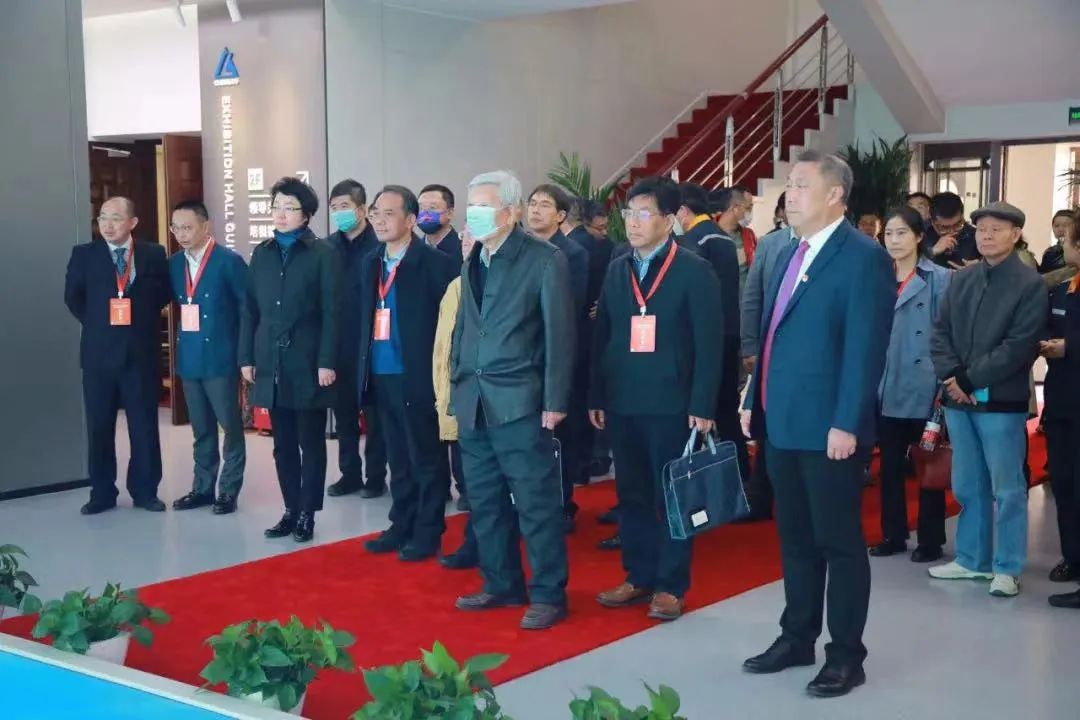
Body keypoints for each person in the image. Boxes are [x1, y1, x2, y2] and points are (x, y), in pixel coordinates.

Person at [739, 151, 894, 698]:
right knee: (796, 539)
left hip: (831, 428)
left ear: (835, 195)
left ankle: (846, 655)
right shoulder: (786, 249)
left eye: (802, 185)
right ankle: (796, 636)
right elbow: (774, 334)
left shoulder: (863, 257)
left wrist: (847, 421)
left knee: (839, 542)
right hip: (782, 422)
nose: (790, 194)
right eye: (789, 184)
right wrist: (754, 401)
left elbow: (865, 348)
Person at [589, 176, 723, 622]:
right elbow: (603, 335)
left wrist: (702, 404)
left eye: (644, 214)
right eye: (629, 213)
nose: (633, 222)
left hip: (672, 403)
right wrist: (597, 393)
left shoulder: (693, 269)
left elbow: (709, 343)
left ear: (669, 220)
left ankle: (670, 585)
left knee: (671, 495)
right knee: (631, 494)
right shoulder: (618, 268)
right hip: (623, 399)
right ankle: (638, 575)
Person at [451, 170, 574, 631]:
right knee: (483, 500)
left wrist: (555, 400)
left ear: (511, 211)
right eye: (471, 206)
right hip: (473, 398)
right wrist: (456, 383)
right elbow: (466, 326)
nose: (474, 214)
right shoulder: (474, 257)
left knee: (535, 502)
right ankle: (501, 582)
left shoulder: (544, 259)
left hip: (520, 399)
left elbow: (560, 335)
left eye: (483, 206)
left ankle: (548, 594)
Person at [928, 201, 1047, 597]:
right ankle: (971, 559)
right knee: (968, 483)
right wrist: (951, 376)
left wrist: (968, 378)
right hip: (958, 400)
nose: (987, 236)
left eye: (997, 229)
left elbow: (1020, 345)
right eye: (982, 229)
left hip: (1001, 401)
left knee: (1007, 487)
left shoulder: (1029, 283)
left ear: (1016, 234)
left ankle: (1007, 567)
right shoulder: (961, 279)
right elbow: (939, 332)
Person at [357, 186, 457, 561]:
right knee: (396, 456)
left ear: (411, 220)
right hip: (380, 373)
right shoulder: (370, 262)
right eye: (375, 214)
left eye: (389, 214)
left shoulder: (435, 264)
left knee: (426, 457)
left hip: (419, 374)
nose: (380, 221)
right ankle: (401, 523)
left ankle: (428, 531)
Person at [239, 177, 341, 543]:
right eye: (276, 207)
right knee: (281, 443)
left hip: (308, 360)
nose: (280, 214)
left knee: (309, 441)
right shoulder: (262, 253)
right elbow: (249, 310)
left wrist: (327, 360)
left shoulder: (323, 254)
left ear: (307, 215)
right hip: (270, 361)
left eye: (289, 208)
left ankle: (308, 513)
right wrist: (247, 356)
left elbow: (332, 313)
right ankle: (289, 509)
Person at [65, 196, 171, 515]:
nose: (107, 225)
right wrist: (101, 325)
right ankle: (101, 493)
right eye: (102, 218)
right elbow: (73, 298)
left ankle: (145, 491)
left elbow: (163, 294)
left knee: (144, 426)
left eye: (115, 218)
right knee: (99, 426)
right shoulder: (84, 254)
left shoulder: (153, 253)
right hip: (99, 356)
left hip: (140, 354)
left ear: (132, 222)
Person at [870, 206, 950, 561]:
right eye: (888, 233)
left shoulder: (940, 278)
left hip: (924, 382)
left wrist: (942, 380)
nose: (894, 240)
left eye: (902, 232)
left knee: (928, 463)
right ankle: (894, 534)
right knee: (889, 466)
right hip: (885, 382)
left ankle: (931, 540)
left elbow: (948, 334)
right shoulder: (876, 276)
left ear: (919, 236)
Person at [167, 200, 248, 515]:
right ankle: (202, 488)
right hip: (190, 358)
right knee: (201, 429)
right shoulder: (174, 264)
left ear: (205, 226)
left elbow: (247, 311)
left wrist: (245, 356)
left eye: (187, 227)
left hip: (221, 358)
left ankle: (227, 491)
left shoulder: (229, 261)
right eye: (176, 228)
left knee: (230, 428)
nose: (181, 234)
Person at [527, 184, 590, 530]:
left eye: (545, 205)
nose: (535, 210)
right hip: (523, 357)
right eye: (532, 203)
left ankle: (562, 503)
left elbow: (569, 307)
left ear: (561, 215)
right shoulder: (520, 249)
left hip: (556, 354)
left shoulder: (573, 253)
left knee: (559, 435)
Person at [674, 184, 747, 481]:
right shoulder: (723, 238)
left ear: (682, 211)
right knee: (727, 411)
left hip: (702, 340)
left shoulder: (692, 242)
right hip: (729, 334)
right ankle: (739, 477)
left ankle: (692, 482)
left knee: (698, 413)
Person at [326, 179, 388, 500]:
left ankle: (375, 477)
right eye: (334, 208)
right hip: (339, 347)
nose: (339, 213)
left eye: (345, 207)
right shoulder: (326, 248)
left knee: (375, 418)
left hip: (372, 344)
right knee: (345, 417)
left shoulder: (380, 245)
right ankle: (349, 474)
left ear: (362, 210)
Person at [739, 208, 798, 521]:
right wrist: (750, 345)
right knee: (766, 428)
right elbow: (752, 297)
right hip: (771, 350)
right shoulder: (771, 244)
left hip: (809, 359)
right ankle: (760, 497)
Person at [435, 228, 479, 570]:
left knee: (485, 483)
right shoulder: (455, 285)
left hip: (489, 400)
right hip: (457, 395)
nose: (466, 243)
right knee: (470, 477)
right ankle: (475, 545)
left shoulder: (499, 284)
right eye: (463, 237)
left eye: (474, 236)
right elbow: (443, 348)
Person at [1045, 221, 1080, 608]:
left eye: (1067, 239)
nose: (1062, 245)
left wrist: (1069, 346)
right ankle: (1072, 558)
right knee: (1065, 484)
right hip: (1061, 403)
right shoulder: (1064, 287)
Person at [710, 187, 755, 290]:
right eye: (748, 208)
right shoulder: (708, 234)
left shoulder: (749, 235)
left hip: (743, 297)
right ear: (735, 208)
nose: (750, 213)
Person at [921, 192, 979, 268]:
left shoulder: (976, 235)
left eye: (957, 225)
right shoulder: (919, 234)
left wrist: (978, 267)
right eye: (945, 228)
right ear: (932, 221)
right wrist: (932, 251)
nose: (952, 232)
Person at [417, 184, 462, 260]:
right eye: (421, 208)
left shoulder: (464, 249)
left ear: (450, 213)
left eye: (432, 207)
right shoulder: (411, 251)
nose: (425, 213)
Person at [1041, 210, 1076, 274]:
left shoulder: (1077, 251)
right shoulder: (1049, 253)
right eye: (1057, 226)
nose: (1060, 229)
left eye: (1065, 225)